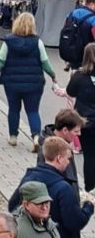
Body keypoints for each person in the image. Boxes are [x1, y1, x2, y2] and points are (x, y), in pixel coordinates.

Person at [0, 12, 56, 149]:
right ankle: (36, 137)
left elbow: (0, 61)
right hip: (34, 83)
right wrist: (53, 75)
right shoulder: (38, 42)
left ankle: (13, 137)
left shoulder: (8, 41)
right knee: (33, 110)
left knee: (14, 109)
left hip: (11, 82)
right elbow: (45, 62)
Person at [8, 136, 94, 238]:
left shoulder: (29, 178)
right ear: (59, 158)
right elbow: (74, 223)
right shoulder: (64, 188)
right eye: (68, 158)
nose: (68, 162)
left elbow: (13, 207)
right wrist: (89, 206)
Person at [66, 45, 95, 190]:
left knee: (89, 156)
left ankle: (90, 187)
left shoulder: (79, 76)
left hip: (86, 121)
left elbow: (70, 91)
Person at [36, 109, 83, 196]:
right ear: (65, 130)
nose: (79, 134)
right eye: (76, 131)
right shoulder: (50, 149)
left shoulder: (64, 144)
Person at [59, 0, 95, 70]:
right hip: (86, 57)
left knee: (75, 73)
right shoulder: (93, 19)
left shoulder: (72, 13)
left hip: (72, 53)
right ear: (92, 4)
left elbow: (64, 28)